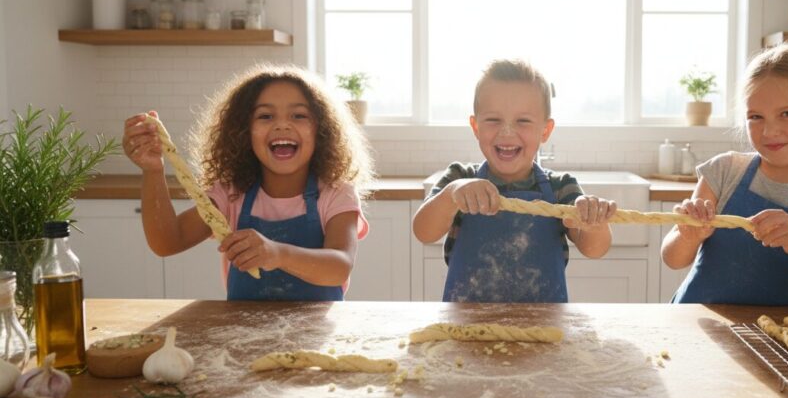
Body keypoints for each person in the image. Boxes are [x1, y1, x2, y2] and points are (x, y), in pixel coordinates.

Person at [122, 65, 374, 301]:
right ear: (243, 131)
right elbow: (167, 242)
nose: (282, 124)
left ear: (321, 130)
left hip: (317, 338)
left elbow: (339, 266)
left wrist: (277, 254)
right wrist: (153, 170)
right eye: (265, 116)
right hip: (243, 337)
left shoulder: (336, 194)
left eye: (299, 115)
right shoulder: (231, 194)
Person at [662, 43, 788, 305]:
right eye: (756, 116)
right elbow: (672, 259)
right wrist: (687, 235)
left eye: (787, 114)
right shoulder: (724, 172)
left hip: (772, 337)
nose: (769, 131)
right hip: (696, 325)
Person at [413, 59, 617, 303]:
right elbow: (423, 231)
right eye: (493, 120)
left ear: (545, 130)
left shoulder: (561, 188)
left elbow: (594, 249)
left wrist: (595, 224)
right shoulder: (459, 179)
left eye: (523, 121)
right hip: (467, 329)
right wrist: (451, 195)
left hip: (543, 330)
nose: (507, 132)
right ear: (475, 126)